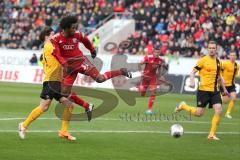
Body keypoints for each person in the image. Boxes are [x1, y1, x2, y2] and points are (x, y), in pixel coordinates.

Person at [18, 27, 93, 141]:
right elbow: (61, 54)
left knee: (69, 104)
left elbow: (48, 62)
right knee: (44, 107)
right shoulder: (49, 45)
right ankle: (23, 126)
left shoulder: (50, 46)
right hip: (51, 81)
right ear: (46, 36)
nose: (56, 35)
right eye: (53, 34)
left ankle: (63, 131)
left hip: (56, 80)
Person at [51, 15, 132, 97]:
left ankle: (121, 71)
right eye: (73, 28)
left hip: (81, 62)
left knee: (100, 79)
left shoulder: (77, 34)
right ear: (66, 28)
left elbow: (85, 40)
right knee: (64, 93)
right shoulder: (56, 39)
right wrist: (65, 65)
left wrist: (92, 50)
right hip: (68, 67)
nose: (75, 29)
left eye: (75, 27)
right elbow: (57, 54)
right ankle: (86, 106)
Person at [175, 41, 228, 140]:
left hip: (215, 91)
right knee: (199, 113)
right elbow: (192, 72)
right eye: (210, 48)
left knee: (219, 110)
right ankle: (183, 106)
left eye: (213, 48)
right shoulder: (203, 60)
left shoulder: (219, 62)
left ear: (216, 50)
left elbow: (219, 77)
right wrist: (192, 82)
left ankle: (211, 134)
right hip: (203, 91)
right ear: (208, 49)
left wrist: (224, 89)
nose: (212, 50)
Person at [138, 49, 164, 114]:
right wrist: (141, 71)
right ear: (153, 52)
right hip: (145, 77)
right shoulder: (148, 57)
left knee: (153, 92)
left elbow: (160, 68)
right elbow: (140, 64)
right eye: (156, 52)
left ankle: (149, 110)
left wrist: (160, 75)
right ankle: (139, 88)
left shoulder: (160, 60)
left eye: (158, 52)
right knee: (142, 93)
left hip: (153, 78)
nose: (157, 53)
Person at [221, 52, 239, 119]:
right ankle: (216, 101)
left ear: (236, 56)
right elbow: (220, 72)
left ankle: (228, 113)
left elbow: (236, 75)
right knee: (225, 101)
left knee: (234, 98)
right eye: (231, 55)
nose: (232, 56)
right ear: (229, 56)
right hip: (224, 85)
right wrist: (221, 79)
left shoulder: (237, 65)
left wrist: (235, 78)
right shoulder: (225, 63)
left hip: (231, 85)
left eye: (234, 55)